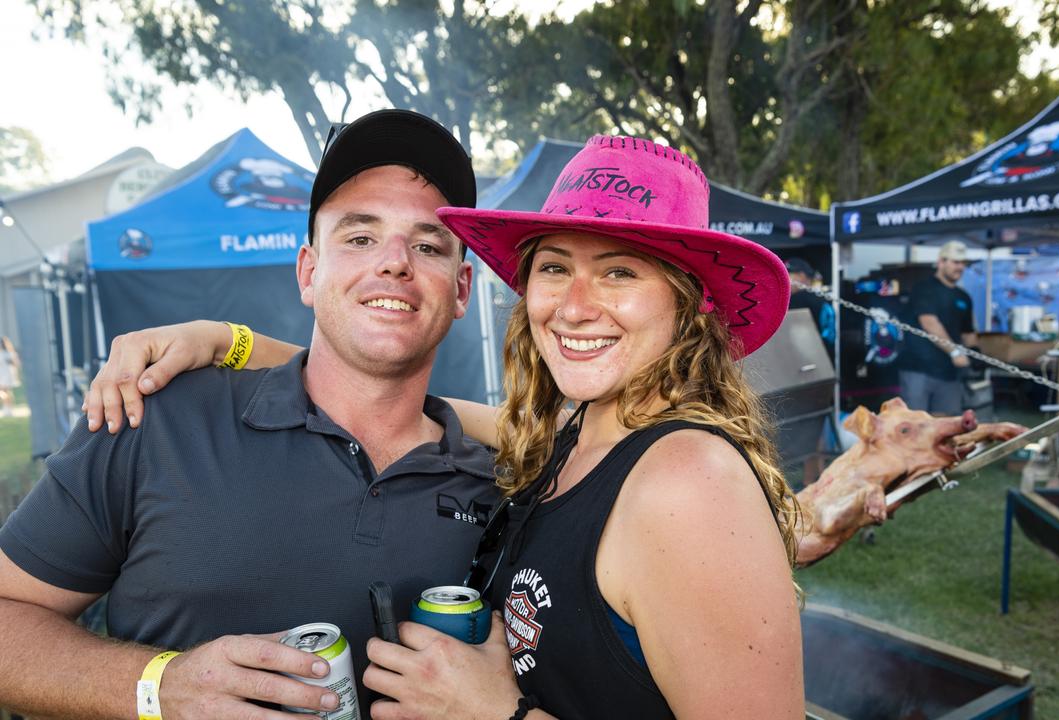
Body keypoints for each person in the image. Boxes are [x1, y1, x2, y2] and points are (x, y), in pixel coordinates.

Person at [82, 136, 805, 719]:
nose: (576, 306)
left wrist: (499, 715)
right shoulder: (571, 442)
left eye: (620, 273)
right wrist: (227, 341)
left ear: (692, 307)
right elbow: (392, 396)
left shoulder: (688, 477)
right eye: (556, 268)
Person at [0, 108, 499, 719]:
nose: (395, 261)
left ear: (462, 290)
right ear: (308, 272)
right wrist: (160, 687)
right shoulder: (157, 418)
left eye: (428, 244)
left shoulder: (505, 488)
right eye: (360, 236)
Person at [895, 240, 977, 415]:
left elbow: (968, 332)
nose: (960, 267)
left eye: (963, 263)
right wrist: (955, 352)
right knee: (915, 426)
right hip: (918, 370)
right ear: (941, 262)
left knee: (949, 428)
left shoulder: (964, 297)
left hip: (949, 374)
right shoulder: (924, 289)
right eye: (955, 262)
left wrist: (974, 354)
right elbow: (929, 322)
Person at [785, 257, 836, 358]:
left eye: (788, 275)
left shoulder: (799, 299)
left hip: (811, 358)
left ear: (801, 276)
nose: (784, 279)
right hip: (824, 356)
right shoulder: (819, 296)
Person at [0, 336, 19, 417]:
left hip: (7, 374)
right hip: (1, 374)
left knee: (7, 391)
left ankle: (9, 408)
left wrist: (10, 361)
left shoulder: (10, 353)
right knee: (3, 392)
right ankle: (6, 406)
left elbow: (16, 363)